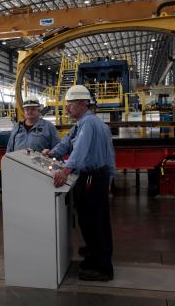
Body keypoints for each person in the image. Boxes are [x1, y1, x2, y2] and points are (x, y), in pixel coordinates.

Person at [44, 85, 116, 282]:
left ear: (83, 103)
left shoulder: (89, 124)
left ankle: (102, 268)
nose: (66, 109)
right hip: (98, 177)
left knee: (91, 222)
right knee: (99, 220)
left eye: (70, 105)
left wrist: (66, 170)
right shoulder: (88, 123)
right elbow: (68, 142)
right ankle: (95, 255)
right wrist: (52, 153)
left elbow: (80, 149)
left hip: (92, 177)